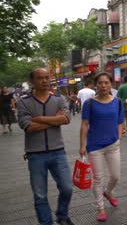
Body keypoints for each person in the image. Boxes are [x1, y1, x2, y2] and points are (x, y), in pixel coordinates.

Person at [16, 68, 74, 225]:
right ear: (32, 82)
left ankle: (62, 215)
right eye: (40, 78)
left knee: (67, 188)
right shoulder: (23, 102)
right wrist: (54, 119)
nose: (44, 81)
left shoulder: (59, 99)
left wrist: (39, 118)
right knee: (40, 195)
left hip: (58, 152)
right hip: (35, 155)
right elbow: (27, 126)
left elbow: (66, 119)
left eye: (47, 78)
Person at [79, 72, 124, 221]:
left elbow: (120, 122)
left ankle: (108, 192)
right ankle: (101, 207)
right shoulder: (89, 103)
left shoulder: (117, 102)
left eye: (106, 83)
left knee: (116, 176)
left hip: (113, 144)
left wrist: (118, 138)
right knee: (98, 178)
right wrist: (82, 145)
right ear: (96, 85)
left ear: (111, 84)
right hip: (94, 146)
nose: (103, 86)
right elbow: (84, 125)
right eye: (100, 83)